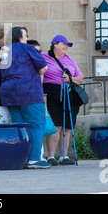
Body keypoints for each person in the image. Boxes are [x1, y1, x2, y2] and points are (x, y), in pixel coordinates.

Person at [0, 26, 50, 169]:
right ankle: (34, 160)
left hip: (9, 95)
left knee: (19, 127)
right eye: (26, 35)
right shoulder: (28, 49)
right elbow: (43, 68)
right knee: (36, 125)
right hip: (29, 93)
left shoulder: (5, 51)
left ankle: (21, 159)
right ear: (19, 37)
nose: (27, 38)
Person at [42, 35, 84, 165]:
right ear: (54, 44)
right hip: (51, 92)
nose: (66, 47)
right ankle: (50, 157)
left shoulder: (70, 60)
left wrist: (70, 79)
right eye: (64, 44)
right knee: (56, 125)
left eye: (68, 45)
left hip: (68, 93)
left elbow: (80, 78)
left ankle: (64, 157)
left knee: (67, 126)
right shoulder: (44, 56)